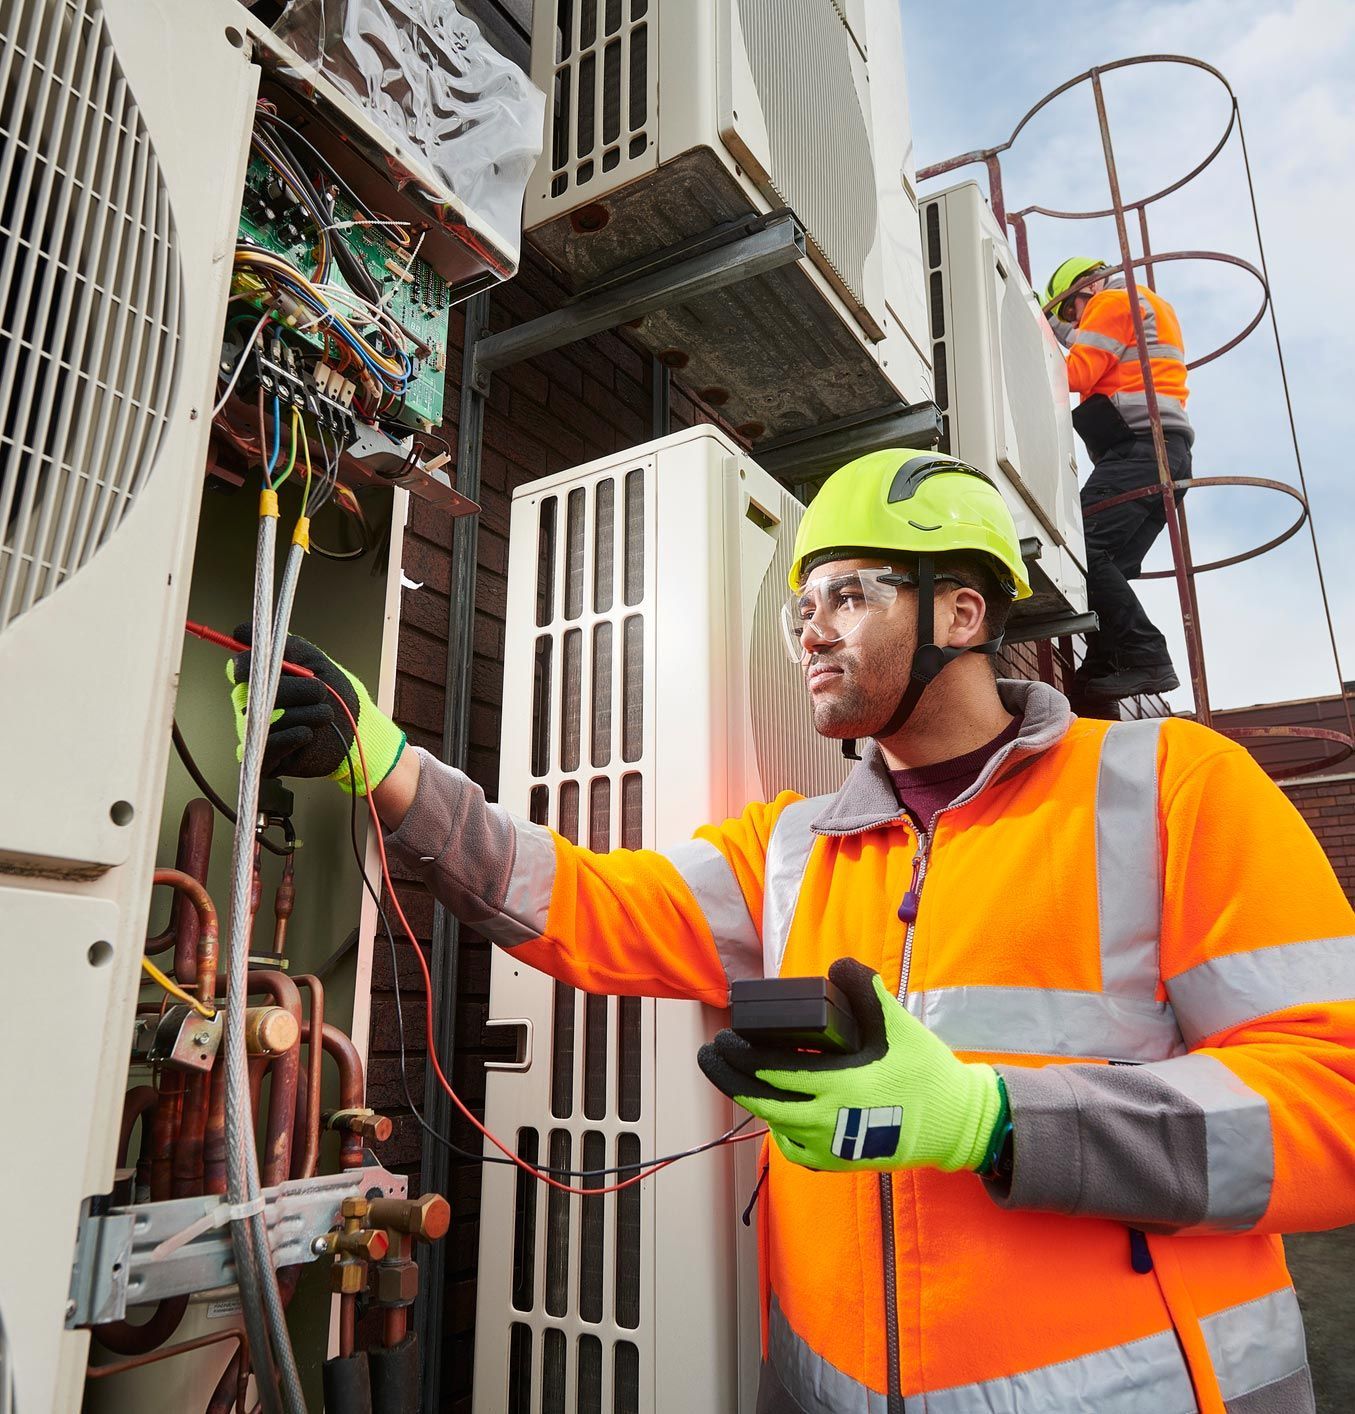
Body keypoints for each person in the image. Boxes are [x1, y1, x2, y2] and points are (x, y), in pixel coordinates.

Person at [229, 449, 1355, 1413]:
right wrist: (387, 767)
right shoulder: (791, 844)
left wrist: (995, 1117)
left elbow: (1334, 1102)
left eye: (849, 594)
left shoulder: (1170, 787)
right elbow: (580, 900)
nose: (808, 628)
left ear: (962, 612)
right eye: (800, 603)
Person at [1044, 256, 1194, 700]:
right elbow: (1084, 343)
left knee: (1083, 548)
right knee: (1113, 566)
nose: (1074, 322)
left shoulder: (1111, 300)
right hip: (1167, 456)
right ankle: (1103, 665)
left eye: (1070, 309)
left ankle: (1146, 653)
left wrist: (1035, 336)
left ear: (1083, 289)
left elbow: (1076, 372)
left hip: (1140, 452)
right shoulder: (1138, 304)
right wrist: (1051, 325)